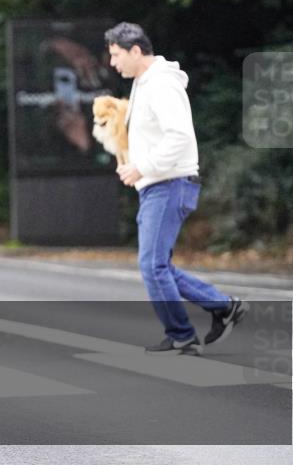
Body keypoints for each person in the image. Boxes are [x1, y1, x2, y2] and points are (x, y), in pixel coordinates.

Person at [105, 22, 247, 355]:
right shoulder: (144, 83)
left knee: (152, 266)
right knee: (159, 266)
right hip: (158, 185)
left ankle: (182, 334)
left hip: (169, 184)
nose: (112, 63)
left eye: (116, 55)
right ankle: (223, 307)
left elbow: (179, 136)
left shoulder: (161, 84)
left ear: (135, 51)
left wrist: (142, 167)